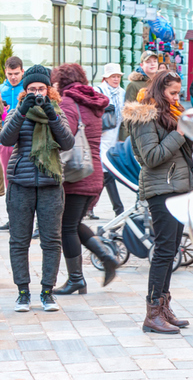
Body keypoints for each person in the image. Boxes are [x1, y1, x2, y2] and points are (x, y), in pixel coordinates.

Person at [123, 71, 193, 334]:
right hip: (160, 189)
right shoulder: (145, 116)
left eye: (178, 92)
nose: (177, 97)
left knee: (173, 247)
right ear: (159, 89)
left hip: (177, 187)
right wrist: (180, 133)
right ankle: (152, 313)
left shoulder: (170, 112)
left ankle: (164, 307)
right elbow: (152, 156)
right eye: (173, 93)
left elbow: (177, 150)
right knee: (164, 250)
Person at [1, 65, 75, 313]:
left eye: (40, 88)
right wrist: (21, 112)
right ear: (24, 91)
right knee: (19, 241)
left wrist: (50, 115)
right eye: (31, 89)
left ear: (49, 89)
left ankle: (47, 292)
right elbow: (6, 140)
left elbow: (67, 142)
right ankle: (23, 292)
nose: (36, 92)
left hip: (50, 186)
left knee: (51, 241)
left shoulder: (56, 111)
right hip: (20, 185)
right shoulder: (17, 110)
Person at [51, 64, 119, 295]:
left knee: (66, 227)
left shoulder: (69, 103)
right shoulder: (91, 101)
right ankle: (105, 256)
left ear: (61, 82)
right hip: (93, 171)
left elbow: (65, 137)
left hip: (76, 173)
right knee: (74, 223)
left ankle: (77, 279)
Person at [94, 63, 125, 216]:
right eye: (113, 76)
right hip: (101, 137)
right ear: (106, 77)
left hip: (115, 137)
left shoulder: (122, 92)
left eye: (118, 76)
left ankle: (88, 207)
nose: (116, 79)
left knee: (103, 175)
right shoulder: (98, 91)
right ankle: (119, 209)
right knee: (106, 173)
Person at [0, 55, 24, 229]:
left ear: (22, 71)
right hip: (6, 142)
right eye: (10, 74)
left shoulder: (29, 88)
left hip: (25, 140)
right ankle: (12, 219)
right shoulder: (1, 90)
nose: (13, 77)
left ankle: (29, 219)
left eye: (16, 73)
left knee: (25, 181)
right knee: (10, 182)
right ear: (5, 72)